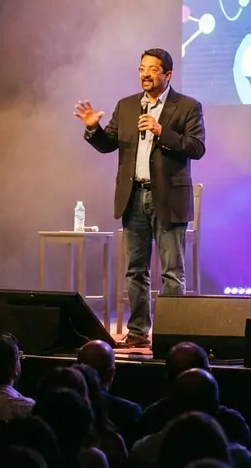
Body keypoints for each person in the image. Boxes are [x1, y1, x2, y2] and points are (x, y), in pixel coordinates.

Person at [75, 48, 206, 348]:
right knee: (135, 270)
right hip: (133, 197)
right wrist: (93, 128)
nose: (145, 74)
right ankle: (137, 332)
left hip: (168, 199)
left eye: (153, 69)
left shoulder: (187, 106)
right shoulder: (126, 106)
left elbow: (197, 147)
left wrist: (162, 131)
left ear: (167, 75)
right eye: (141, 68)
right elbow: (109, 144)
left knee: (172, 272)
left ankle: (171, 335)